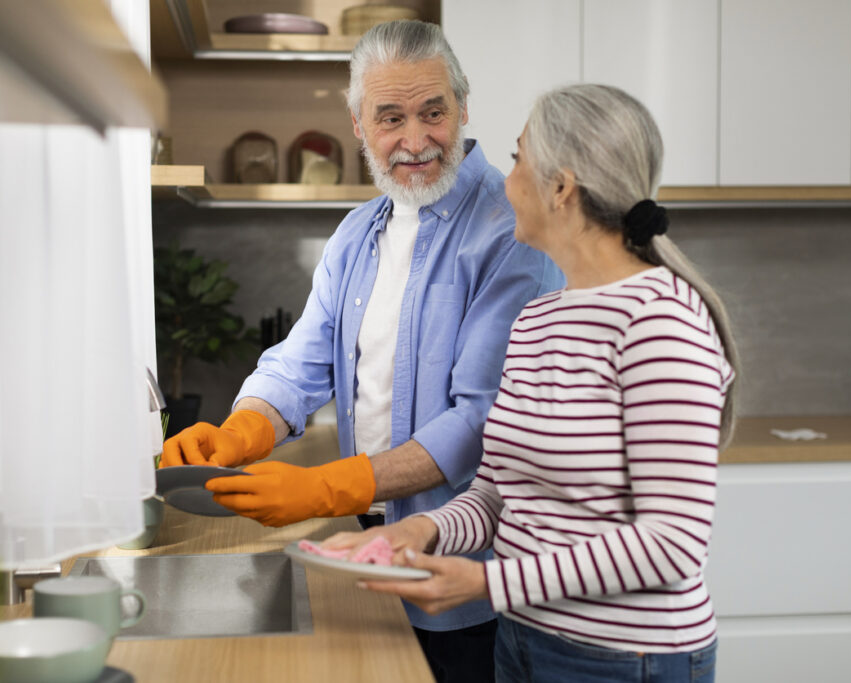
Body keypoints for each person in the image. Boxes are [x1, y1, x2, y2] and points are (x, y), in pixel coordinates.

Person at [158, 20, 562, 683]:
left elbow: (479, 420)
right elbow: (299, 362)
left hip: (465, 585)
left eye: (433, 112)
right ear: (357, 124)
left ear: (463, 106)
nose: (415, 140)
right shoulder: (357, 233)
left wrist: (323, 485)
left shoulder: (511, 229)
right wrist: (237, 434)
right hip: (365, 555)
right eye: (390, 118)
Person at [321, 83, 739, 683]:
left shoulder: (660, 320)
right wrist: (420, 529)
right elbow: (496, 493)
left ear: (562, 187)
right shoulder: (541, 317)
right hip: (522, 640)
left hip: (627, 658)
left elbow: (671, 543)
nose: (504, 177)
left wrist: (490, 582)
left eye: (518, 158)